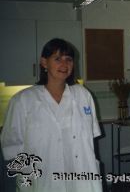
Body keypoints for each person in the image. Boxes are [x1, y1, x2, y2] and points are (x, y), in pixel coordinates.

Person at [1, 38, 102, 192]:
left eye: (69, 59)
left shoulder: (83, 95)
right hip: (42, 182)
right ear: (44, 62)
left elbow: (90, 142)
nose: (64, 64)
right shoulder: (23, 100)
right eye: (57, 58)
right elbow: (11, 146)